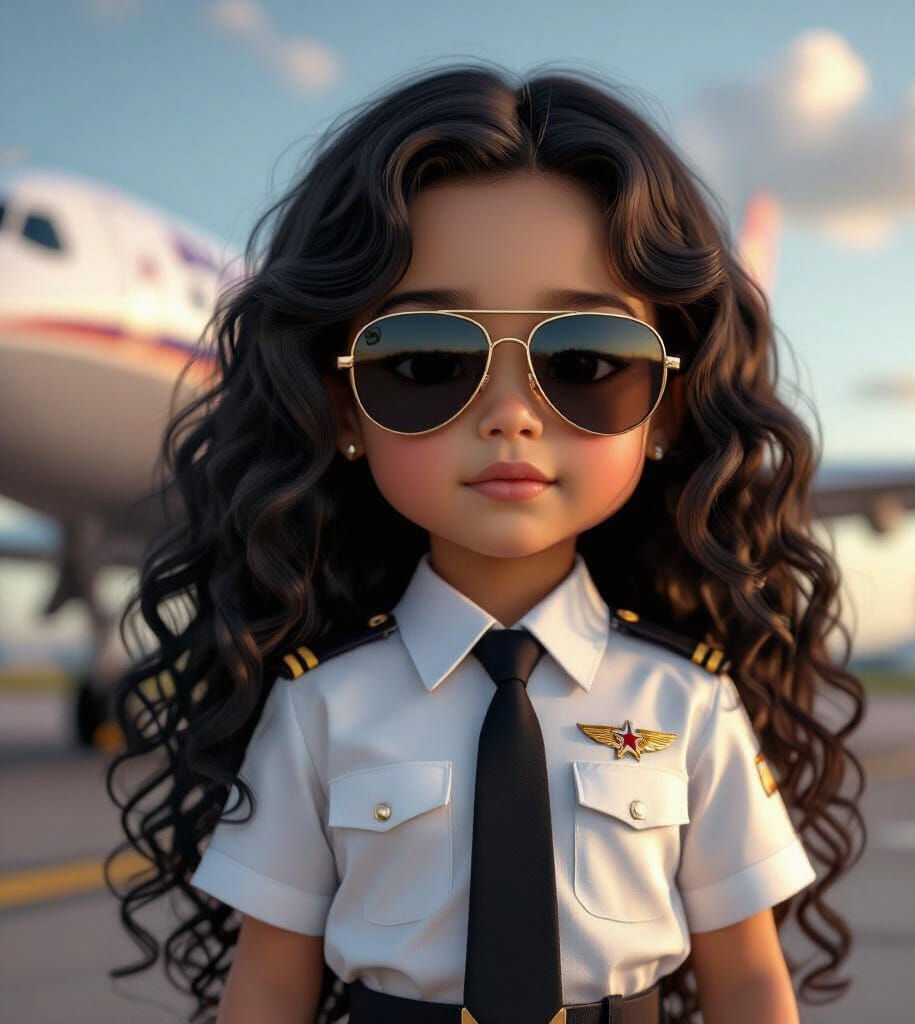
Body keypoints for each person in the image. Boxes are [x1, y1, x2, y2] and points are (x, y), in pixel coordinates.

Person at [105, 63, 866, 1024]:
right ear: (343, 405)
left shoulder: (691, 702)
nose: (511, 414)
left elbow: (750, 978)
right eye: (425, 361)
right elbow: (268, 985)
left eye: (587, 361)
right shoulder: (319, 709)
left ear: (667, 409)